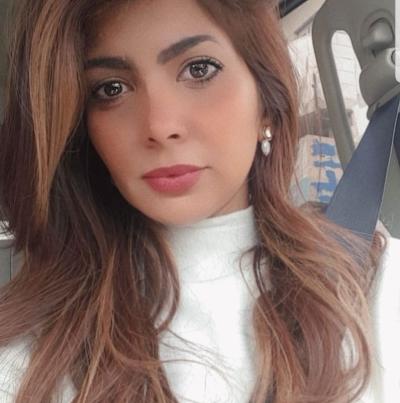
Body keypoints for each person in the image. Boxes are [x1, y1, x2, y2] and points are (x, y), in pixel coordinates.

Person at [0, 0, 392, 402]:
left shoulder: (376, 282)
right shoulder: (36, 351)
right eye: (111, 89)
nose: (159, 125)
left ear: (266, 104)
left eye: (199, 69)